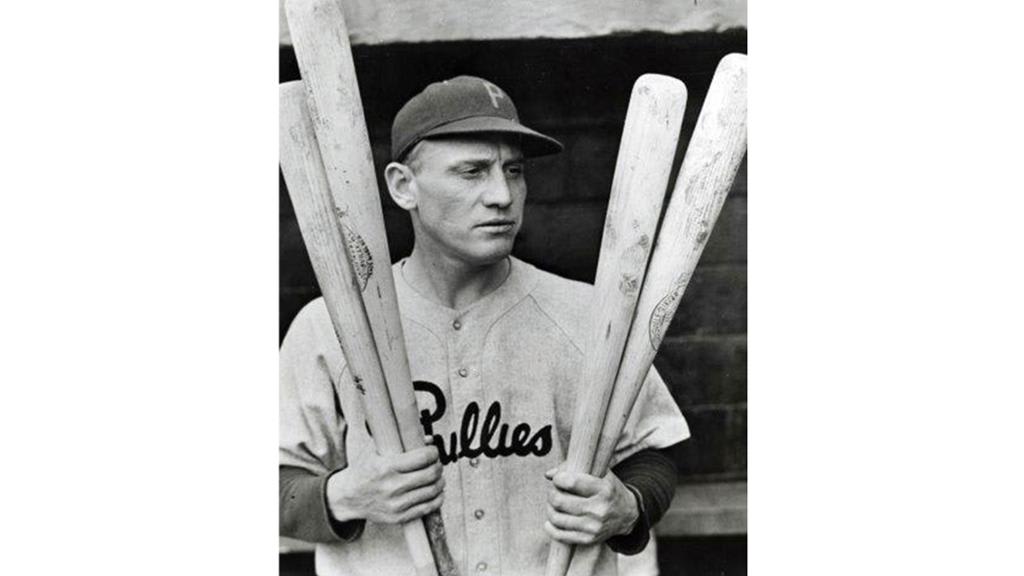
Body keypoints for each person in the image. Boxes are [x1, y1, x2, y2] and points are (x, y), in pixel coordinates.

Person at [280, 75, 689, 575]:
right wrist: (343, 495)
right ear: (402, 186)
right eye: (472, 171)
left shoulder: (591, 315)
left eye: (513, 171)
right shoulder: (329, 327)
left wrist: (627, 505)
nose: (502, 194)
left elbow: (652, 454)